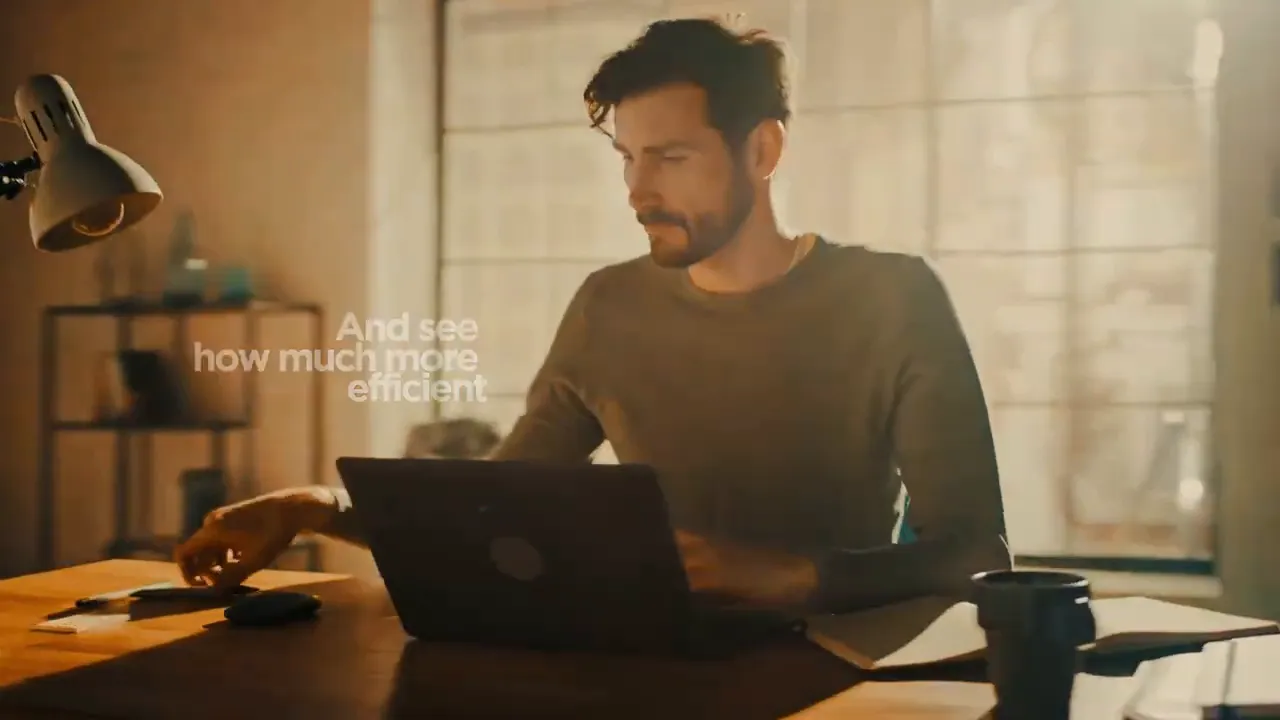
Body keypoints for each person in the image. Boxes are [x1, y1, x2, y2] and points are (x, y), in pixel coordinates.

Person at [175, 17, 1011, 614]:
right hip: (644, 669)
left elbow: (978, 555)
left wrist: (797, 576)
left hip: (836, 679)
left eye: (672, 158)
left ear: (762, 151)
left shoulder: (894, 297)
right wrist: (313, 506)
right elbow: (487, 511)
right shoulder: (609, 305)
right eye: (628, 158)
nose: (638, 191)